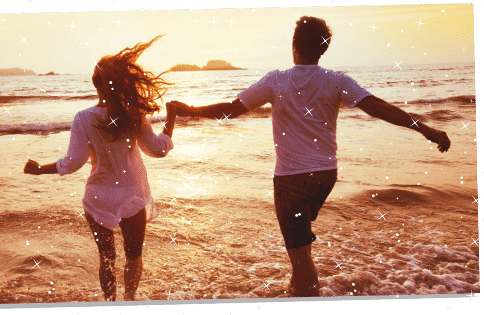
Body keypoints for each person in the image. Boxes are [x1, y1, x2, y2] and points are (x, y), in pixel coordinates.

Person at [168, 16, 450, 297]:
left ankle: (305, 295)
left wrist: (191, 110)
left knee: (302, 260)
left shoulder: (278, 80)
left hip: (293, 181)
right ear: (323, 49)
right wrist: (425, 129)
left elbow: (230, 109)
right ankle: (297, 286)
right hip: (326, 177)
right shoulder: (336, 80)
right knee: (300, 245)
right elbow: (377, 106)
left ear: (294, 46)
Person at [24, 35, 177, 301]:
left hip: (99, 198)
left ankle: (109, 304)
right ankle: (129, 300)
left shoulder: (84, 118)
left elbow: (72, 163)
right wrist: (171, 117)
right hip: (132, 196)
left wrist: (40, 170)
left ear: (96, 84)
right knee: (133, 256)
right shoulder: (134, 115)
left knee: (106, 260)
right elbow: (158, 149)